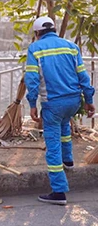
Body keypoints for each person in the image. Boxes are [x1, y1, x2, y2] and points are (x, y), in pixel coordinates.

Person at [25, 16, 95, 205]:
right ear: (54, 30)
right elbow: (83, 75)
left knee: (52, 144)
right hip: (73, 101)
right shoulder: (71, 46)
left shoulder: (35, 48)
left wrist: (32, 103)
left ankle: (58, 191)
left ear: (37, 33)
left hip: (53, 103)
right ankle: (69, 160)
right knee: (64, 125)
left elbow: (31, 79)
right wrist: (89, 100)